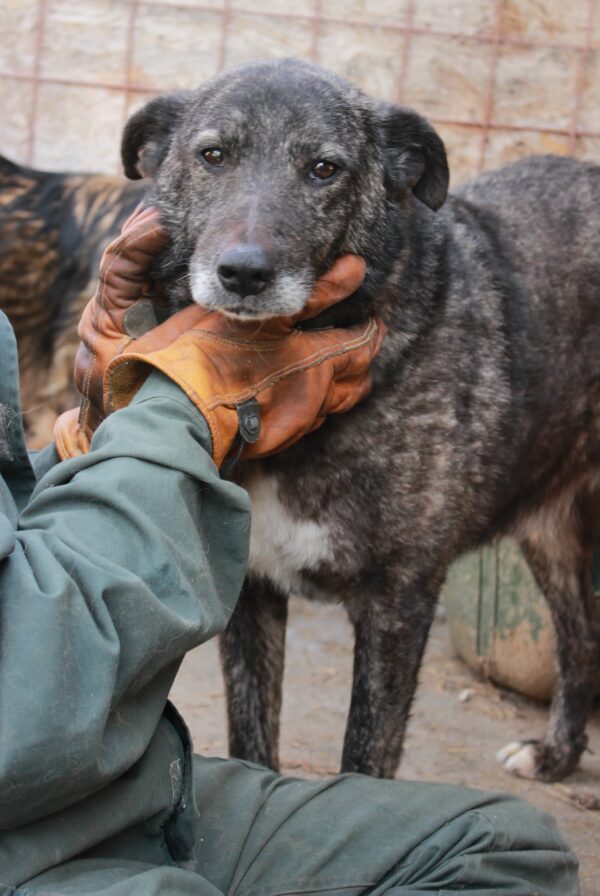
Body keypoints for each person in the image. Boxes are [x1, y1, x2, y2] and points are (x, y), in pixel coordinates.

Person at [0, 207, 579, 895]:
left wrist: (87, 446)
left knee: (511, 847)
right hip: (31, 833)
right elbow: (32, 692)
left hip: (117, 792)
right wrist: (176, 414)